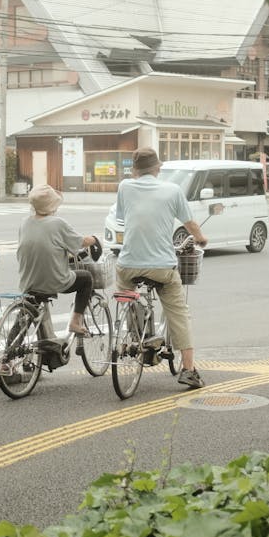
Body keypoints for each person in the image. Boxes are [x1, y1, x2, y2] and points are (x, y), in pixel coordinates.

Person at [115, 147, 208, 389]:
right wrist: (200, 238)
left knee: (127, 297)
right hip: (162, 268)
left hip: (128, 265)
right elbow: (190, 224)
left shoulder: (125, 186)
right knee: (178, 312)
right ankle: (189, 369)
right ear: (158, 168)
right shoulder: (173, 190)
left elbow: (123, 217)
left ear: (135, 170)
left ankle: (137, 338)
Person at [17, 184, 99, 336]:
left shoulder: (25, 223)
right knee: (86, 278)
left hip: (28, 281)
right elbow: (81, 242)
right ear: (52, 206)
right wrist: (94, 240)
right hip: (54, 281)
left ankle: (10, 349)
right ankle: (75, 322)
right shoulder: (57, 223)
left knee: (28, 308)